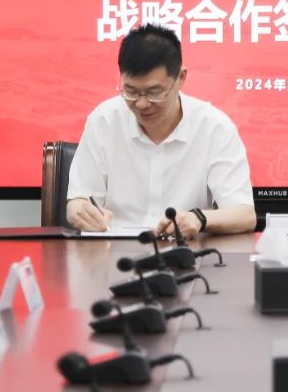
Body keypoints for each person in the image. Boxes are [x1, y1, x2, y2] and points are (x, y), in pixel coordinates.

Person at [66, 24, 256, 237]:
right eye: (130, 91)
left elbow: (244, 215)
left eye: (154, 93)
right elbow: (78, 202)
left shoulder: (214, 128)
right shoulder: (104, 121)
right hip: (113, 250)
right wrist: (79, 209)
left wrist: (199, 218)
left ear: (181, 78)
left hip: (185, 251)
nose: (142, 104)